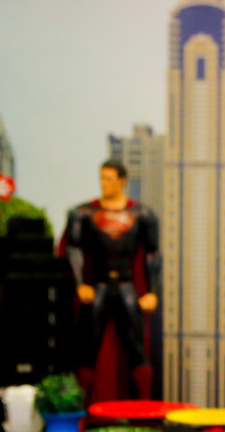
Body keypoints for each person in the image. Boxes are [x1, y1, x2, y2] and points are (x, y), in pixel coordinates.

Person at [63, 159, 160, 400]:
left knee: (137, 349)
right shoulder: (84, 213)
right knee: (87, 349)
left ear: (122, 181)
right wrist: (80, 285)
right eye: (102, 178)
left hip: (127, 287)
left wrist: (152, 291)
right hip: (98, 286)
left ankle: (143, 406)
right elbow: (73, 249)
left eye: (109, 178)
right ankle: (82, 406)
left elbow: (152, 253)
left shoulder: (142, 214)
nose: (104, 183)